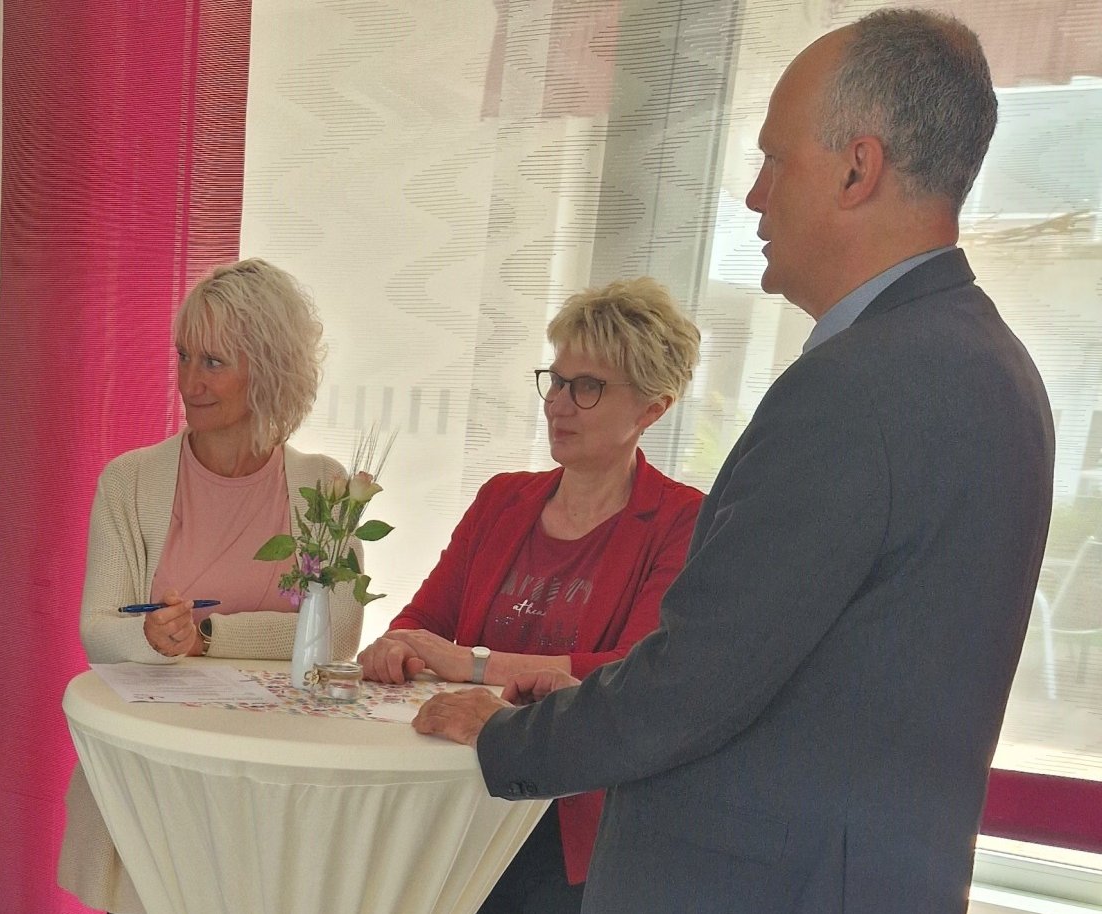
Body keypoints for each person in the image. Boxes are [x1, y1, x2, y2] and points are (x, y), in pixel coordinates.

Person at [415, 10, 1055, 913]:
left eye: (771, 159)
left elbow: (698, 678)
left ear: (856, 168)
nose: (753, 197)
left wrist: (505, 738)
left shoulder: (857, 386)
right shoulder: (996, 364)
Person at [359, 277, 703, 912]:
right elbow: (422, 619)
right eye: (557, 380)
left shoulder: (683, 521)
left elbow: (634, 674)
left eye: (589, 387)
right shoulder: (502, 498)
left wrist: (475, 663)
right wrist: (399, 648)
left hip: (566, 824)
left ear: (653, 408)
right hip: (453, 799)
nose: (559, 404)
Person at [58, 257, 360, 912]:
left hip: (279, 790)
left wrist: (208, 636)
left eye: (214, 362)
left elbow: (334, 638)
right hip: (161, 782)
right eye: (184, 356)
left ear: (271, 369)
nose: (189, 382)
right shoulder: (128, 482)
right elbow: (96, 631)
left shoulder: (327, 487)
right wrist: (147, 633)